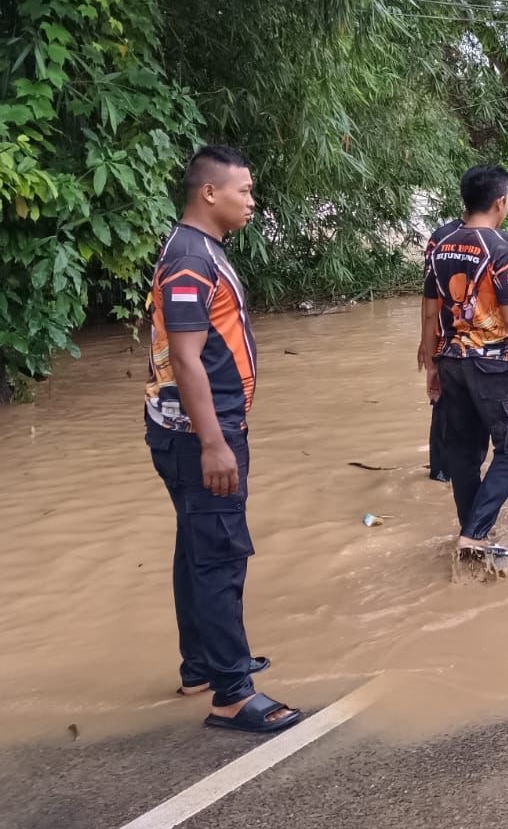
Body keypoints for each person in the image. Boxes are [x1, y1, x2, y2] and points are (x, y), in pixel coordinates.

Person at [145, 145, 300, 733]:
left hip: (193, 430)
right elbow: (186, 359)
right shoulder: (191, 258)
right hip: (199, 435)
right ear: (210, 193)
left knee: (197, 546)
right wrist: (214, 442)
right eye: (245, 190)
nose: (252, 201)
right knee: (220, 555)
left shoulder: (201, 249)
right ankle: (232, 694)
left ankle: (203, 667)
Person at [422, 165, 508, 568]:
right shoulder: (500, 249)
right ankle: (474, 533)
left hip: (450, 361)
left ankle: (471, 534)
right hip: (493, 365)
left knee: (463, 453)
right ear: (501, 202)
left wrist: (431, 363)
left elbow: (429, 311)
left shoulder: (439, 244)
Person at [418, 215, 462, 482]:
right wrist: (426, 343)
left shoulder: (440, 237)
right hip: (453, 342)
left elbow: (428, 301)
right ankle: (444, 473)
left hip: (452, 344)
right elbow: (430, 297)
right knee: (446, 407)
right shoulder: (441, 238)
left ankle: (448, 473)